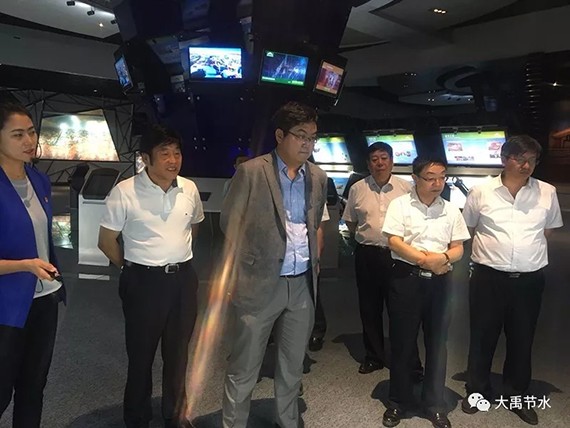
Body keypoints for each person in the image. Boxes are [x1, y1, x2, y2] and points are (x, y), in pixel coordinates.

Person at [221, 101, 328, 428]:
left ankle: (287, 421)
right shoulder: (252, 172)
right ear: (280, 135)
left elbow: (313, 224)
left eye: (312, 137)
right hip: (259, 282)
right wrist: (240, 272)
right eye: (301, 135)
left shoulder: (318, 177)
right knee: (244, 366)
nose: (307, 144)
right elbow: (230, 224)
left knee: (293, 365)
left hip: (301, 284)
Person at [98, 124, 204, 428]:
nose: (173, 160)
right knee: (140, 355)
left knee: (178, 353)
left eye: (177, 153)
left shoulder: (189, 188)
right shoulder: (125, 191)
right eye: (165, 153)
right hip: (143, 283)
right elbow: (106, 241)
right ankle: (137, 417)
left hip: (183, 281)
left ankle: (175, 414)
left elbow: (193, 227)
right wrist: (131, 268)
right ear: (146, 158)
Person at [461, 135, 563, 425]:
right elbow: (469, 228)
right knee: (482, 337)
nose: (526, 165)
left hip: (529, 281)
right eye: (520, 158)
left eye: (532, 159)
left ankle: (516, 393)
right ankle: (477, 391)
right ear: (504, 159)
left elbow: (548, 231)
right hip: (488, 278)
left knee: (522, 338)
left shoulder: (547, 192)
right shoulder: (481, 192)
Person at [381, 156, 470, 428]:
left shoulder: (451, 210)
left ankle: (434, 403)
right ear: (415, 178)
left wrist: (443, 257)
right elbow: (394, 241)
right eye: (430, 178)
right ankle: (398, 401)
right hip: (406, 279)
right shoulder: (400, 205)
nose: (437, 183)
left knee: (438, 343)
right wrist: (424, 260)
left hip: (441, 282)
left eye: (442, 177)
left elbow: (459, 247)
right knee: (402, 342)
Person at [0, 101, 65, 427]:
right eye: (17, 134)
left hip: (44, 300)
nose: (29, 141)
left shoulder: (39, 180)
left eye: (31, 132)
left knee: (33, 387)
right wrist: (23, 265)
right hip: (6, 306)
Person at [342, 142, 422, 377]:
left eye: (384, 158)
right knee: (369, 308)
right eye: (374, 159)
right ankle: (374, 356)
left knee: (402, 310)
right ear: (368, 164)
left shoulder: (406, 188)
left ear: (392, 161)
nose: (380, 163)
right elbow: (351, 221)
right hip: (367, 255)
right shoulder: (357, 188)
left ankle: (409, 361)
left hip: (398, 256)